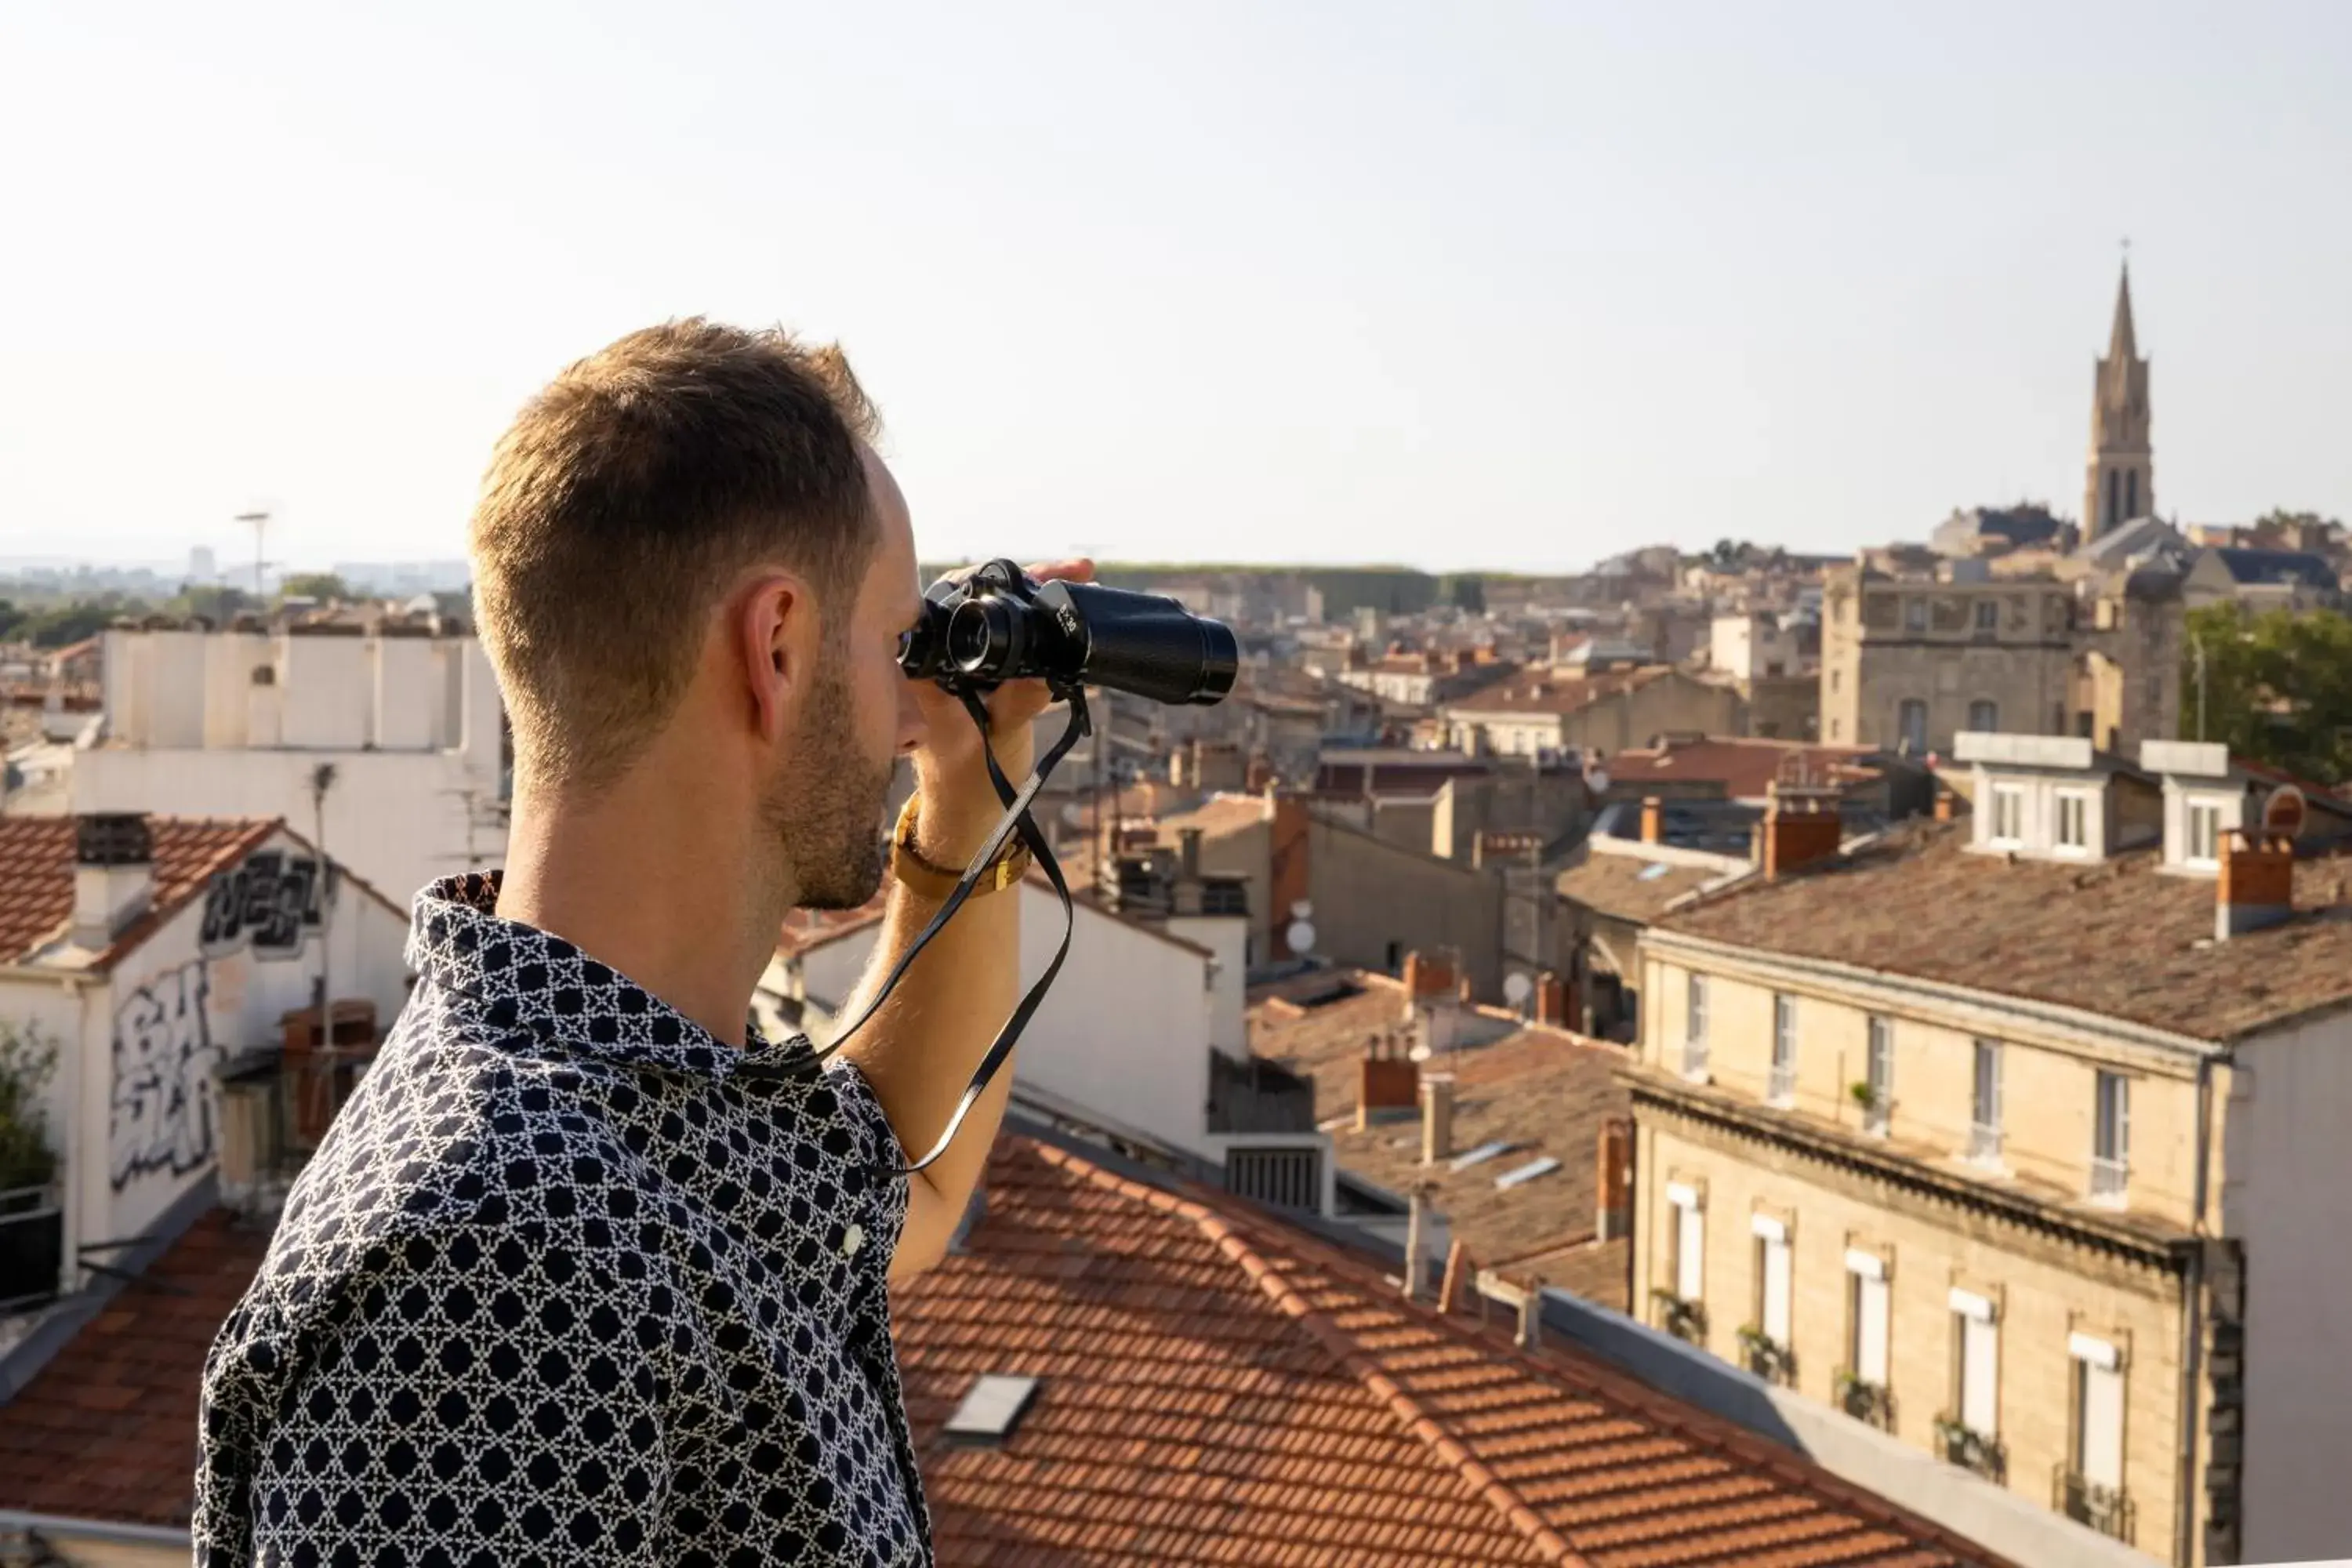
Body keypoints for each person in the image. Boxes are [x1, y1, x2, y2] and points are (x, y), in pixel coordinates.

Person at [194, 320, 1081, 1566]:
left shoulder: (643, 1103)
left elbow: (910, 1184)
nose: (905, 707)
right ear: (775, 645)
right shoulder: (499, 1256)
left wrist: (972, 781)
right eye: (895, 647)